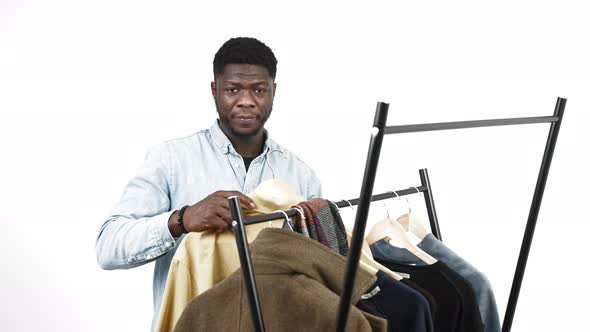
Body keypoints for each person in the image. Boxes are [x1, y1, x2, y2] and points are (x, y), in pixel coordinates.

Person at [95, 37, 322, 327]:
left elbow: (321, 267)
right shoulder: (170, 159)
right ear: (214, 91)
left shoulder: (302, 176)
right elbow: (108, 246)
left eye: (259, 90)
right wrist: (182, 219)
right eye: (232, 89)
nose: (246, 101)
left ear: (274, 92)